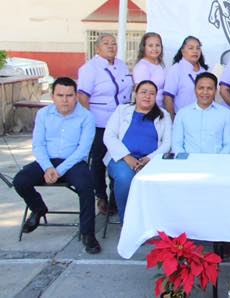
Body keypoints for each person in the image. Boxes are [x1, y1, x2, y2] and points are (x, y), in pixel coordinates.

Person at [13, 77, 101, 253]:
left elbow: (82, 151)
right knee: (20, 180)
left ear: (76, 96)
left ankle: (88, 233)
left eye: (69, 95)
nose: (65, 99)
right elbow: (38, 145)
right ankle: (38, 209)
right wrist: (47, 167)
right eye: (60, 95)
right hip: (47, 160)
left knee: (86, 185)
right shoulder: (43, 114)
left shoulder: (87, 117)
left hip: (73, 162)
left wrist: (58, 171)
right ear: (52, 96)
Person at [77, 33, 133, 215]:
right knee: (100, 161)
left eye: (114, 43)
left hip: (121, 121)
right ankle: (101, 196)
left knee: (118, 157)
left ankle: (116, 197)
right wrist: (88, 121)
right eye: (106, 43)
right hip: (100, 121)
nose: (111, 46)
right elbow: (83, 96)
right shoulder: (89, 68)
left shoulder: (121, 65)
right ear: (98, 48)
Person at [103, 81, 172, 221]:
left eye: (152, 93)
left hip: (152, 161)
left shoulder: (163, 115)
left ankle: (153, 221)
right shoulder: (122, 110)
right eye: (143, 92)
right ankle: (128, 222)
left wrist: (149, 159)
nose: (147, 96)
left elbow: (167, 143)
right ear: (136, 94)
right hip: (122, 160)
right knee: (125, 178)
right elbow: (109, 136)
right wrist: (127, 157)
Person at [172, 72, 230, 154]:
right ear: (195, 90)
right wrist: (186, 163)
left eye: (209, 88)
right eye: (201, 88)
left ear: (215, 91)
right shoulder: (182, 113)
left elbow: (229, 145)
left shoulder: (226, 114)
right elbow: (176, 144)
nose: (205, 92)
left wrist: (217, 162)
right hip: (188, 163)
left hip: (216, 163)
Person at [164, 36, 209, 118]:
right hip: (181, 119)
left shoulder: (203, 71)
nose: (195, 51)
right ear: (183, 51)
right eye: (191, 48)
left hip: (202, 118)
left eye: (198, 48)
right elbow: (168, 97)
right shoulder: (176, 69)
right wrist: (172, 120)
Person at [132, 32, 166, 107]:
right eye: (150, 45)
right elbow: (142, 93)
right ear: (144, 48)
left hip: (160, 108)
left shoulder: (160, 64)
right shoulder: (142, 66)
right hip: (149, 109)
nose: (155, 48)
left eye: (157, 45)